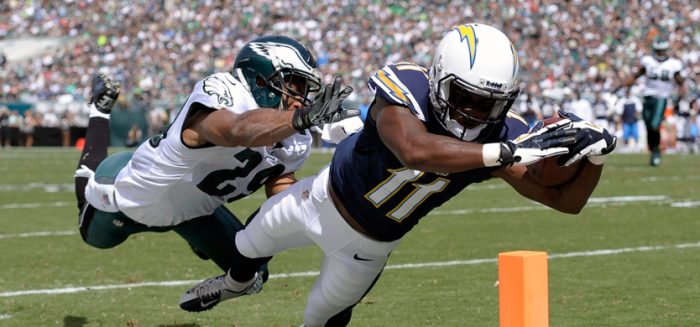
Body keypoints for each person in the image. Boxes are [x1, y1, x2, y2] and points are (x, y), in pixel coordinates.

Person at [179, 24, 616, 326]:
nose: (474, 113)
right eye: (465, 97)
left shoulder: (502, 134)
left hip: (368, 249)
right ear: (440, 78)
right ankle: (236, 287)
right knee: (245, 244)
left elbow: (565, 200)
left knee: (320, 318)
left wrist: (594, 155)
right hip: (320, 197)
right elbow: (414, 149)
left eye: (487, 104)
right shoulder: (408, 86)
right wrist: (505, 151)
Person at [74, 35, 357, 284]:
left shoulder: (296, 138)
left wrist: (319, 202)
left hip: (194, 211)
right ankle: (100, 109)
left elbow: (280, 184)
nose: (300, 100)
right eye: (294, 86)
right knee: (91, 234)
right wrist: (299, 119)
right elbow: (237, 130)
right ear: (261, 79)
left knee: (251, 273)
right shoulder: (224, 91)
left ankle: (199, 241)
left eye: (304, 90)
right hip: (129, 196)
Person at [620, 37, 685, 166]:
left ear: (666, 50)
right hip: (647, 97)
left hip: (662, 98)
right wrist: (625, 84)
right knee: (648, 125)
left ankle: (656, 151)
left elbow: (680, 82)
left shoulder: (673, 64)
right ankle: (653, 148)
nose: (660, 53)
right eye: (658, 50)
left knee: (655, 125)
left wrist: (680, 98)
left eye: (662, 50)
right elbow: (637, 75)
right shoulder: (648, 61)